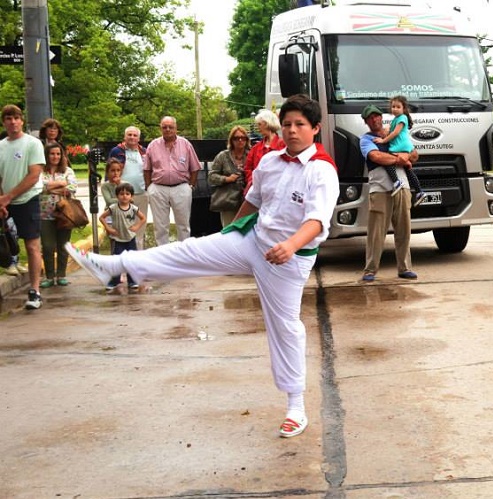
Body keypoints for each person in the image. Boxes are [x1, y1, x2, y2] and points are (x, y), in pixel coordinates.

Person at [67, 94, 339, 438]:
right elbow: (251, 203)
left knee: (285, 327)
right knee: (189, 250)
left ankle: (296, 408)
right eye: (286, 124)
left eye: (300, 124)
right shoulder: (270, 163)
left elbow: (317, 221)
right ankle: (115, 265)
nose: (292, 130)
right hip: (252, 240)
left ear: (315, 128)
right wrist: (227, 236)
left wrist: (291, 245)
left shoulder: (322, 170)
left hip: (289, 259)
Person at [360, 104, 418, 282]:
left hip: (403, 187)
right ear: (366, 122)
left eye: (377, 116)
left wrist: (407, 157)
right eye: (370, 118)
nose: (375, 119)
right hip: (380, 190)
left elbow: (415, 154)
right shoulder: (366, 139)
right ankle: (370, 270)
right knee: (376, 232)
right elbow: (376, 157)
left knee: (404, 230)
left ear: (381, 117)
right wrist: (400, 159)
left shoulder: (394, 134)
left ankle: (405, 268)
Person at [0, 104, 46, 309]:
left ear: (22, 120)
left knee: (32, 245)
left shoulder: (32, 144)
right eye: (8, 118)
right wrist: (1, 199)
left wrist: (8, 197)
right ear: (4, 122)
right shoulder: (1, 146)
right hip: (4, 201)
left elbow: (34, 174)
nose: (13, 122)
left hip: (27, 200)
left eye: (16, 118)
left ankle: (35, 291)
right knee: (6, 243)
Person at [143, 116, 201, 247]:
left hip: (181, 188)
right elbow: (147, 169)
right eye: (164, 127)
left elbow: (195, 167)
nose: (168, 129)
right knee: (160, 226)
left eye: (171, 127)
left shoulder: (185, 144)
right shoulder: (153, 145)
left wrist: (190, 186)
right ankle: (163, 255)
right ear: (161, 128)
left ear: (176, 128)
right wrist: (149, 187)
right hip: (158, 189)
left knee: (183, 225)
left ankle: (183, 254)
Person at [372, 95, 425, 206]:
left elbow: (395, 133)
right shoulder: (396, 119)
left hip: (400, 146)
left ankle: (396, 182)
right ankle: (420, 192)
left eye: (398, 107)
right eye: (393, 106)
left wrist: (383, 141)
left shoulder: (402, 118)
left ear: (404, 109)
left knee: (387, 161)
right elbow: (390, 131)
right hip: (401, 146)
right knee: (408, 170)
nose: (395, 109)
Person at [39, 141, 77, 288]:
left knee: (63, 245)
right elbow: (38, 188)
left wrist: (49, 188)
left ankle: (61, 274)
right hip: (45, 214)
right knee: (47, 246)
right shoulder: (41, 171)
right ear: (47, 155)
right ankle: (49, 276)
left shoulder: (68, 171)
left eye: (58, 154)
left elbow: (72, 188)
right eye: (52, 154)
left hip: (65, 214)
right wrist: (60, 185)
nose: (55, 156)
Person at [99, 182, 146, 291]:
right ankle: (114, 281)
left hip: (130, 238)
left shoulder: (133, 208)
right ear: (117, 196)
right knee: (117, 261)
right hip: (118, 239)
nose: (124, 196)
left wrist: (136, 227)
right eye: (121, 194)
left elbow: (143, 218)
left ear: (131, 196)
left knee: (131, 261)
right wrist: (108, 228)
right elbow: (101, 217)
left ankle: (132, 281)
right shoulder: (113, 208)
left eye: (127, 194)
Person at [108, 126, 148, 250]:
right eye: (129, 135)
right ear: (124, 137)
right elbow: (109, 171)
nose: (132, 137)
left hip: (141, 193)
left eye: (135, 135)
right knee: (122, 227)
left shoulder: (144, 151)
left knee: (139, 227)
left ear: (139, 138)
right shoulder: (116, 151)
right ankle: (121, 256)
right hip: (123, 196)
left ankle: (138, 255)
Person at [208, 126, 248, 226]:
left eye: (243, 138)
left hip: (247, 201)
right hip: (228, 201)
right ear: (231, 140)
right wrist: (227, 179)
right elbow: (211, 177)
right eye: (236, 138)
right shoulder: (223, 156)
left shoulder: (251, 155)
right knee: (228, 230)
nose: (240, 140)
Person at [242, 109, 284, 195]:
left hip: (279, 191)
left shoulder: (284, 145)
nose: (258, 127)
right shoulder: (255, 148)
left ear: (267, 123)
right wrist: (254, 182)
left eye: (260, 124)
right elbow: (247, 168)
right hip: (258, 192)